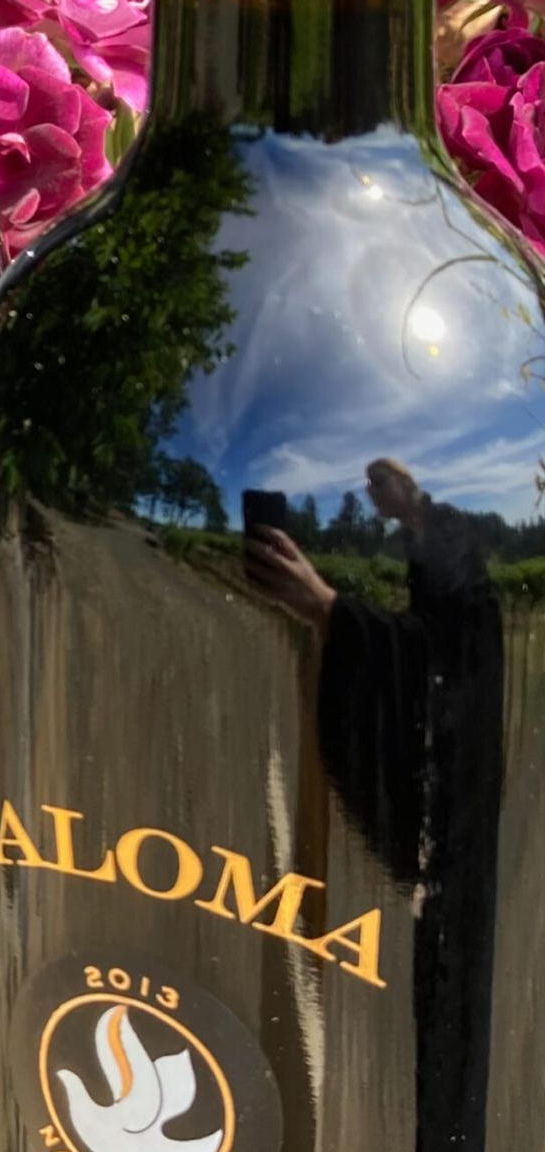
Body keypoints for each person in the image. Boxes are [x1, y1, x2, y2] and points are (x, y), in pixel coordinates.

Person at [245, 457, 503, 1152]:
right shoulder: (413, 539)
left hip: (458, 789)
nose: (370, 495)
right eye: (366, 487)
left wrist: (329, 609)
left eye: (377, 484)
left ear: (405, 485)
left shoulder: (447, 531)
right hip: (440, 775)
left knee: (443, 975)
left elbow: (451, 659)